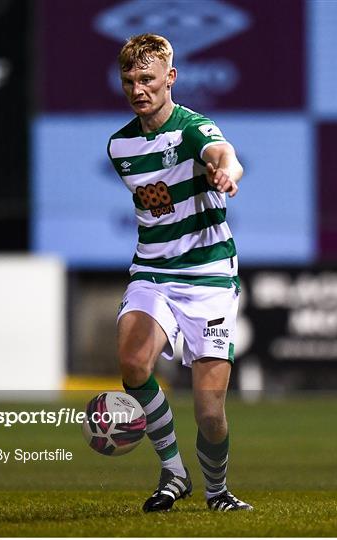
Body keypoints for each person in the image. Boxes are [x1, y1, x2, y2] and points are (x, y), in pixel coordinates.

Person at [107, 33, 252, 513]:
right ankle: (172, 471)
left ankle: (217, 492)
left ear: (170, 78)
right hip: (152, 271)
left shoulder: (193, 128)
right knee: (132, 363)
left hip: (209, 277)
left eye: (147, 78)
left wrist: (226, 172)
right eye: (129, 80)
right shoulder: (120, 146)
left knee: (210, 412)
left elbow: (221, 152)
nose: (137, 88)